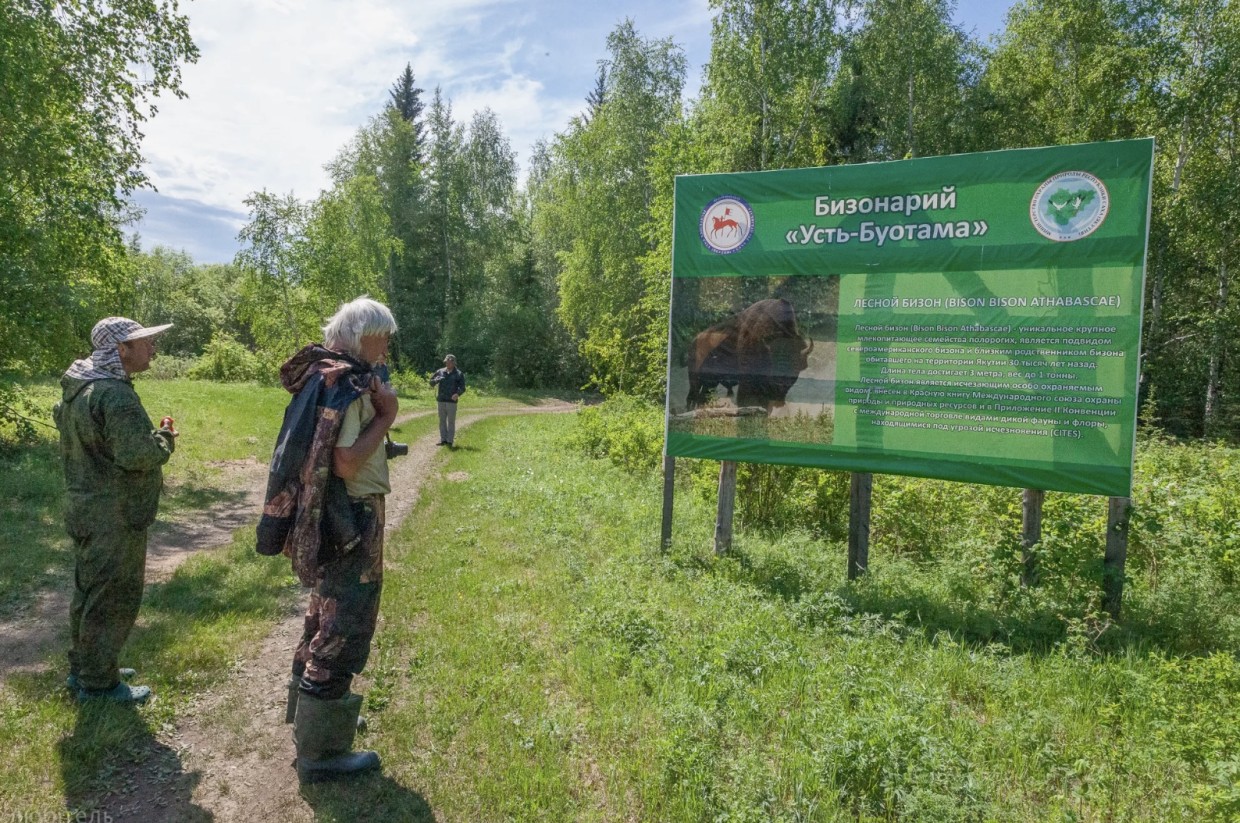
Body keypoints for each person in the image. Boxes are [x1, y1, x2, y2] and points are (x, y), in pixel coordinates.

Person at [257, 296, 397, 783]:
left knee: (322, 614)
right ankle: (322, 753)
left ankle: (312, 721)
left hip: (327, 520)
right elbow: (345, 462)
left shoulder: (321, 373)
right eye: (384, 337)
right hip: (350, 520)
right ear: (363, 336)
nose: (387, 348)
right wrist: (386, 416)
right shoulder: (349, 382)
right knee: (346, 623)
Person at [53, 317, 177, 705]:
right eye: (144, 342)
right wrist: (165, 439)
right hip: (114, 514)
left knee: (89, 591)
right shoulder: (114, 394)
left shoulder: (80, 386)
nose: (152, 348)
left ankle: (89, 668)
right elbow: (138, 454)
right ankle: (99, 686)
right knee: (113, 597)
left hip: (86, 506)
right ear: (121, 349)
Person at [430, 353, 466, 446]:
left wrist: (457, 394)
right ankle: (443, 440)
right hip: (441, 400)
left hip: (451, 401)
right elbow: (431, 382)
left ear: (454, 363)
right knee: (442, 421)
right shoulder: (440, 371)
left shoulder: (459, 374)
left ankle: (450, 441)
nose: (447, 364)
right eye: (446, 362)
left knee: (451, 422)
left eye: (449, 362)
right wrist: (436, 380)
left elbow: (463, 388)